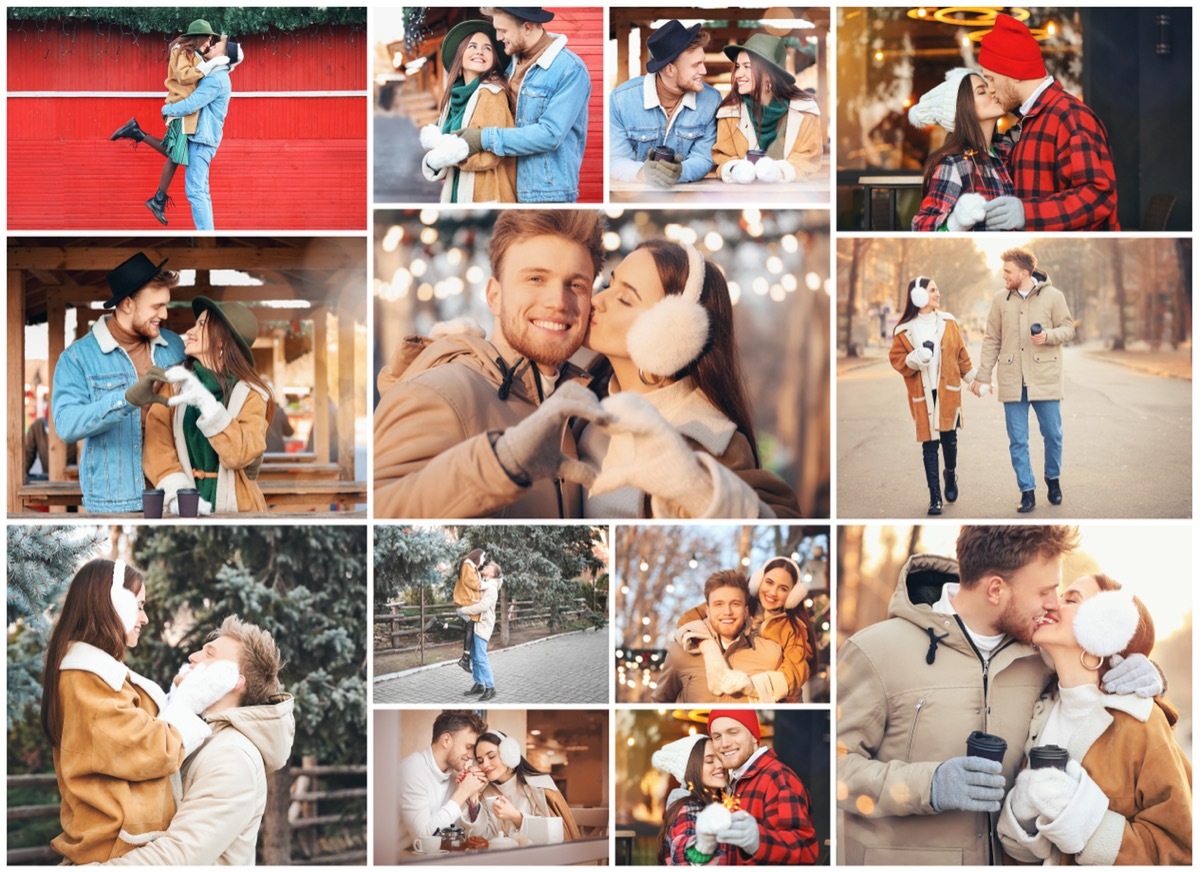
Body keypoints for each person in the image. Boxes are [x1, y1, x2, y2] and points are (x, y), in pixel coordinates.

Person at [836, 526, 1165, 866]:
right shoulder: (875, 651)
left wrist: (1140, 665)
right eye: (1045, 591)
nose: (1053, 603)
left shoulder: (1039, 656)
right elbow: (835, 768)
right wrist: (929, 785)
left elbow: (1085, 685)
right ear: (995, 590)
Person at [373, 210, 610, 519]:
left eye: (576, 285)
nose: (558, 301)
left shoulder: (579, 410)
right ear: (494, 296)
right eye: (536, 279)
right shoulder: (437, 391)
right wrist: (503, 462)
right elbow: (380, 510)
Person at [580, 239, 802, 518]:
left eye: (624, 299)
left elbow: (782, 518)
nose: (596, 300)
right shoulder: (581, 404)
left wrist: (697, 489)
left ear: (670, 332)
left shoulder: (711, 440)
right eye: (607, 285)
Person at [41, 558, 239, 863]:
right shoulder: (87, 678)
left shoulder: (99, 675)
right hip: (114, 848)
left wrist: (177, 697)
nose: (144, 618)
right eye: (139, 606)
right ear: (112, 603)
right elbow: (145, 748)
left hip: (121, 843)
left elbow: (128, 735)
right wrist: (188, 703)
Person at [997, 574, 1191, 865]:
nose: (1053, 604)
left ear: (1104, 628)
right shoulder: (1039, 711)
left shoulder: (1140, 721)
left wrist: (1083, 822)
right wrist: (1022, 817)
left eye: (1071, 599)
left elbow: (1180, 851)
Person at [102, 616, 296, 866]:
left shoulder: (233, 758)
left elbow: (177, 858)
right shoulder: (192, 735)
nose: (193, 657)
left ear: (234, 680)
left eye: (209, 654)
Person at [51, 253, 186, 513]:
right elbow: (66, 424)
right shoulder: (77, 358)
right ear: (126, 304)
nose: (164, 314)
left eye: (166, 305)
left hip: (176, 494)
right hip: (113, 501)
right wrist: (126, 400)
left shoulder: (175, 346)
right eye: (156, 306)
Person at [976, 14, 1119, 231]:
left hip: (1079, 250)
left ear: (1014, 73)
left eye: (991, 78)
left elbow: (1098, 196)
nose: (991, 89)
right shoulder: (1030, 120)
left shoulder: (1070, 117)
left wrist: (1027, 213)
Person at [143, 297, 271, 515]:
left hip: (240, 510)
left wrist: (206, 402)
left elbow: (239, 454)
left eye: (201, 325)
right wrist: (178, 493)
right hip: (184, 508)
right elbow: (156, 446)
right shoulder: (175, 385)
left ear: (222, 340)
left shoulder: (252, 394)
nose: (190, 331)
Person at [971, 247, 1074, 513]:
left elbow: (1068, 329)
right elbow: (991, 339)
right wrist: (983, 376)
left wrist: (1048, 336)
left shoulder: (1054, 296)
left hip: (1045, 377)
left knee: (1053, 434)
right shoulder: (999, 300)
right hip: (1011, 378)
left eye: (1008, 271)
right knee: (1017, 440)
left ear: (1025, 272)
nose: (1003, 275)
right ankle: (1027, 491)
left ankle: (1053, 478)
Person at [452, 8, 589, 203]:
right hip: (506, 187)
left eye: (503, 31)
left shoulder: (570, 69)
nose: (498, 37)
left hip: (546, 195)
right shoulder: (509, 62)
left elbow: (550, 134)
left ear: (527, 27)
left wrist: (484, 139)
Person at [109, 20, 228, 226]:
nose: (209, 45)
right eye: (208, 40)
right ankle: (158, 198)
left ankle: (137, 136)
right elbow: (183, 76)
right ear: (199, 37)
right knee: (175, 155)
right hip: (179, 108)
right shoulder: (180, 51)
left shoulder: (193, 54)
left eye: (212, 42)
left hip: (184, 112)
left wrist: (207, 64)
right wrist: (206, 67)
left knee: (175, 154)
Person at [889, 276, 977, 515]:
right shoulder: (904, 331)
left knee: (949, 441)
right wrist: (917, 357)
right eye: (932, 290)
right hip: (922, 395)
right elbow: (897, 361)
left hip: (948, 392)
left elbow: (962, 357)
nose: (938, 294)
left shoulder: (949, 322)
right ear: (918, 295)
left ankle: (950, 473)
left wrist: (974, 382)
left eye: (937, 290)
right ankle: (935, 498)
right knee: (929, 446)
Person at [675, 556, 815, 702]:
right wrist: (709, 649)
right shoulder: (736, 600)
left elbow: (795, 672)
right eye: (769, 582)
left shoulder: (794, 629)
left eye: (783, 588)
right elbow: (686, 620)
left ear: (793, 595)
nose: (773, 592)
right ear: (758, 580)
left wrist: (752, 685)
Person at [609, 20, 721, 188]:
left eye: (702, 62)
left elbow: (704, 157)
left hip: (687, 196)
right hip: (635, 195)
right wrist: (641, 173)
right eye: (696, 65)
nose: (704, 70)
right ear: (669, 69)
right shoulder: (621, 100)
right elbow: (615, 159)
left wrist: (679, 172)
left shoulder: (711, 100)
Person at [703, 710, 820, 864]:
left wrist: (759, 841)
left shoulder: (777, 777)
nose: (724, 743)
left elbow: (806, 851)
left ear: (753, 736)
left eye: (733, 732)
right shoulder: (736, 781)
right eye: (717, 736)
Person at [652, 570, 785, 704]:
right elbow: (659, 703)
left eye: (735, 604)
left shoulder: (771, 655)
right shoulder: (681, 652)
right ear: (708, 611)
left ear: (745, 611)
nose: (727, 612)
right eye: (718, 604)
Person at [420, 20, 517, 203]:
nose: (480, 51)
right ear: (460, 54)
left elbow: (490, 155)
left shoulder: (492, 94)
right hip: (458, 191)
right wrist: (442, 148)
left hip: (485, 193)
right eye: (472, 46)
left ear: (494, 58)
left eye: (487, 48)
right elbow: (445, 136)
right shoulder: (454, 98)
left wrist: (443, 155)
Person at [909, 67, 1014, 231]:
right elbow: (923, 230)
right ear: (964, 108)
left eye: (989, 86)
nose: (992, 91)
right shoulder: (954, 163)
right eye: (981, 91)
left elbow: (1031, 114)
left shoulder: (1003, 149)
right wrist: (957, 222)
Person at [712, 33, 821, 185]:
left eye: (747, 67)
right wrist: (735, 169)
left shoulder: (805, 110)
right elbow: (723, 156)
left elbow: (809, 156)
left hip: (792, 195)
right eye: (737, 66)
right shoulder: (729, 113)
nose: (737, 74)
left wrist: (779, 171)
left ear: (770, 74)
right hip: (741, 194)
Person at [463, 730, 581, 842]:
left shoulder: (539, 786)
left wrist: (516, 817)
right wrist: (473, 795)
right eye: (480, 761)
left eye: (492, 756)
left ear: (508, 753)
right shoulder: (486, 792)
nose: (485, 765)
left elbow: (555, 835)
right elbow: (481, 838)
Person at [396, 710, 489, 850]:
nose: (471, 756)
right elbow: (423, 840)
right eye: (468, 747)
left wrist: (472, 797)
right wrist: (463, 793)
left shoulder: (455, 777)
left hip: (433, 857)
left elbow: (469, 836)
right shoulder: (411, 770)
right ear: (446, 740)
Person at [651, 734, 729, 865]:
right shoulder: (689, 808)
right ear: (692, 769)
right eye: (710, 761)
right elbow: (686, 857)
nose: (720, 765)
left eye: (721, 758)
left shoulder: (720, 803)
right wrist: (703, 845)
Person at [458, 561, 502, 701]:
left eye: (488, 567)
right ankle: (479, 684)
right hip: (475, 624)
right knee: (474, 656)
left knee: (481, 657)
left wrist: (463, 610)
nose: (485, 567)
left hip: (483, 625)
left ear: (492, 574)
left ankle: (490, 687)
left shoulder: (492, 588)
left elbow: (482, 606)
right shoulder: (482, 584)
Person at [453, 549, 487, 673]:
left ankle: (465, 659)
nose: (483, 562)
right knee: (469, 628)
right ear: (477, 557)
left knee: (468, 629)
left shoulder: (471, 567)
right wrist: (489, 585)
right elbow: (473, 584)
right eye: (483, 558)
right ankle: (465, 659)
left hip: (469, 601)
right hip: (468, 601)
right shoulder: (468, 565)